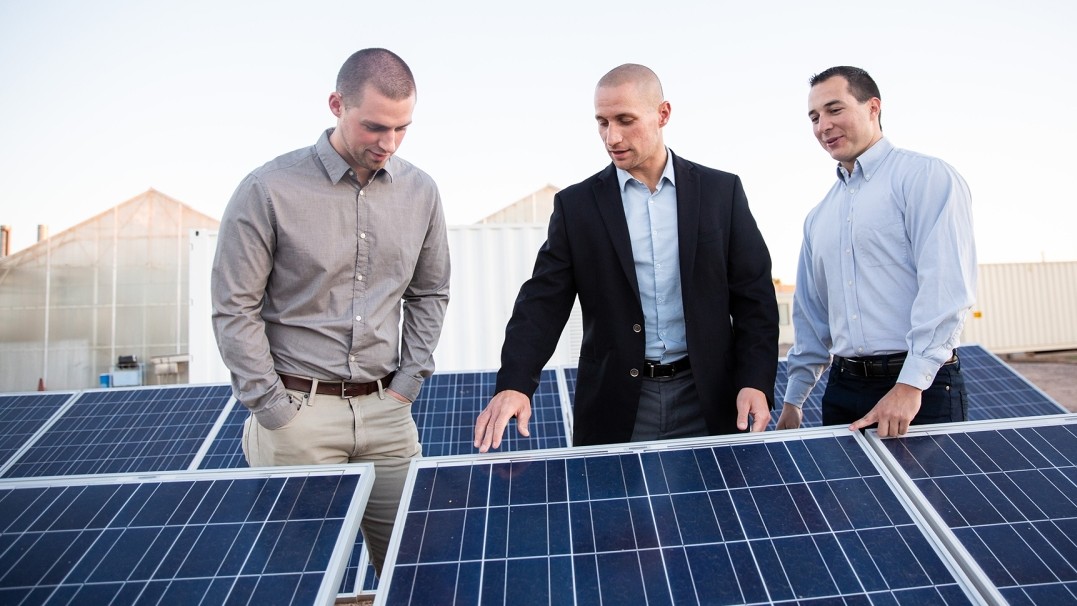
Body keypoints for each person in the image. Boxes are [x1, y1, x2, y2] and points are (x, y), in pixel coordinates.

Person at [211, 48, 450, 574]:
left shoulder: (422, 192)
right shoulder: (267, 190)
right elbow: (234, 307)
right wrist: (273, 409)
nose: (388, 144)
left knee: (418, 570)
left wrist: (408, 382)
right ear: (336, 105)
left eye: (402, 128)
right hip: (297, 416)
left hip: (388, 413)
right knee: (300, 580)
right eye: (374, 127)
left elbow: (430, 293)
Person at [473, 64, 778, 450]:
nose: (611, 137)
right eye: (601, 122)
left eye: (625, 120)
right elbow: (542, 303)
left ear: (662, 114)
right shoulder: (576, 206)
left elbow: (755, 298)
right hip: (618, 405)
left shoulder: (722, 192)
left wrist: (755, 380)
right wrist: (516, 383)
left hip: (711, 399)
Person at [776, 66, 976, 437]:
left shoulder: (925, 178)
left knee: (930, 497)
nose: (823, 126)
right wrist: (794, 400)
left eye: (835, 110)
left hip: (919, 389)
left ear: (873, 107)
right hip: (843, 389)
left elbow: (945, 291)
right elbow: (811, 316)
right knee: (855, 497)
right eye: (814, 117)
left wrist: (910, 385)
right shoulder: (818, 217)